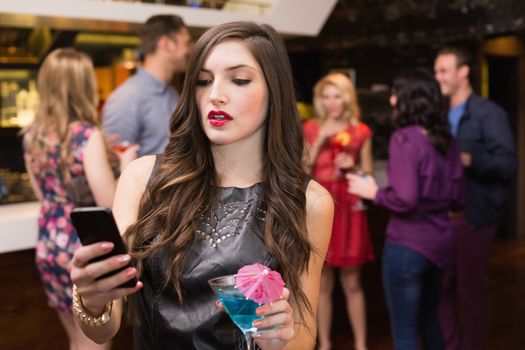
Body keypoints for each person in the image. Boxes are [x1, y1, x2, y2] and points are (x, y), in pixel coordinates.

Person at [69, 21, 334, 350]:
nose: (215, 95)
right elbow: (105, 329)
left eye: (239, 80)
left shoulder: (308, 201)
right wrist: (92, 301)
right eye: (203, 81)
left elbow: (303, 336)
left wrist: (278, 337)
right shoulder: (143, 180)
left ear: (274, 92)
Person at [22, 48, 139, 349]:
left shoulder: (32, 135)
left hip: (49, 242)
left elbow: (43, 192)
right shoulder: (87, 136)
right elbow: (110, 203)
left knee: (75, 338)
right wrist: (126, 165)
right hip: (83, 248)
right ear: (83, 85)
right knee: (96, 340)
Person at [348, 68, 464, 350]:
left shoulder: (405, 138)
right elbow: (460, 199)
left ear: (408, 99)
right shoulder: (448, 141)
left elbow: (407, 199)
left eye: (394, 93)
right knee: (430, 321)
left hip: (408, 247)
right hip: (441, 245)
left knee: (404, 332)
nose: (391, 100)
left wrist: (374, 193)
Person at [434, 47, 518, 350]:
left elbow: (508, 163)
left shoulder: (489, 113)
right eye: (437, 71)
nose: (438, 77)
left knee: (470, 291)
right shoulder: (439, 114)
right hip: (440, 217)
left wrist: (469, 158)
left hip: (474, 216)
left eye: (443, 70)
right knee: (437, 288)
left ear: (463, 71)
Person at [303, 72, 373, 350]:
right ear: (320, 100)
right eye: (326, 96)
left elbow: (367, 175)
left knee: (353, 282)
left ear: (347, 98)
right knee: (322, 282)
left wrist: (353, 167)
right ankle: (325, 344)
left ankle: (361, 345)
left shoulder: (361, 131)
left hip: (350, 209)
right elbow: (300, 172)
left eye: (338, 95)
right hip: (320, 206)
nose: (332, 102)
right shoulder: (310, 128)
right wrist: (319, 142)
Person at [102, 14, 192, 156]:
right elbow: (118, 165)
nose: (189, 50)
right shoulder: (126, 98)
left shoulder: (172, 93)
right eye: (186, 43)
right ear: (166, 43)